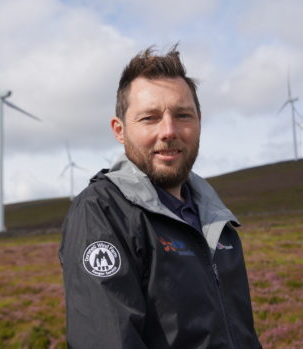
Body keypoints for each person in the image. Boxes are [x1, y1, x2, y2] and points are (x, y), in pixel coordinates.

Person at [59, 45, 261, 348]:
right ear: (119, 130)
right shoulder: (102, 212)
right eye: (150, 118)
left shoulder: (220, 223)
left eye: (182, 115)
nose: (169, 131)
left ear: (199, 122)